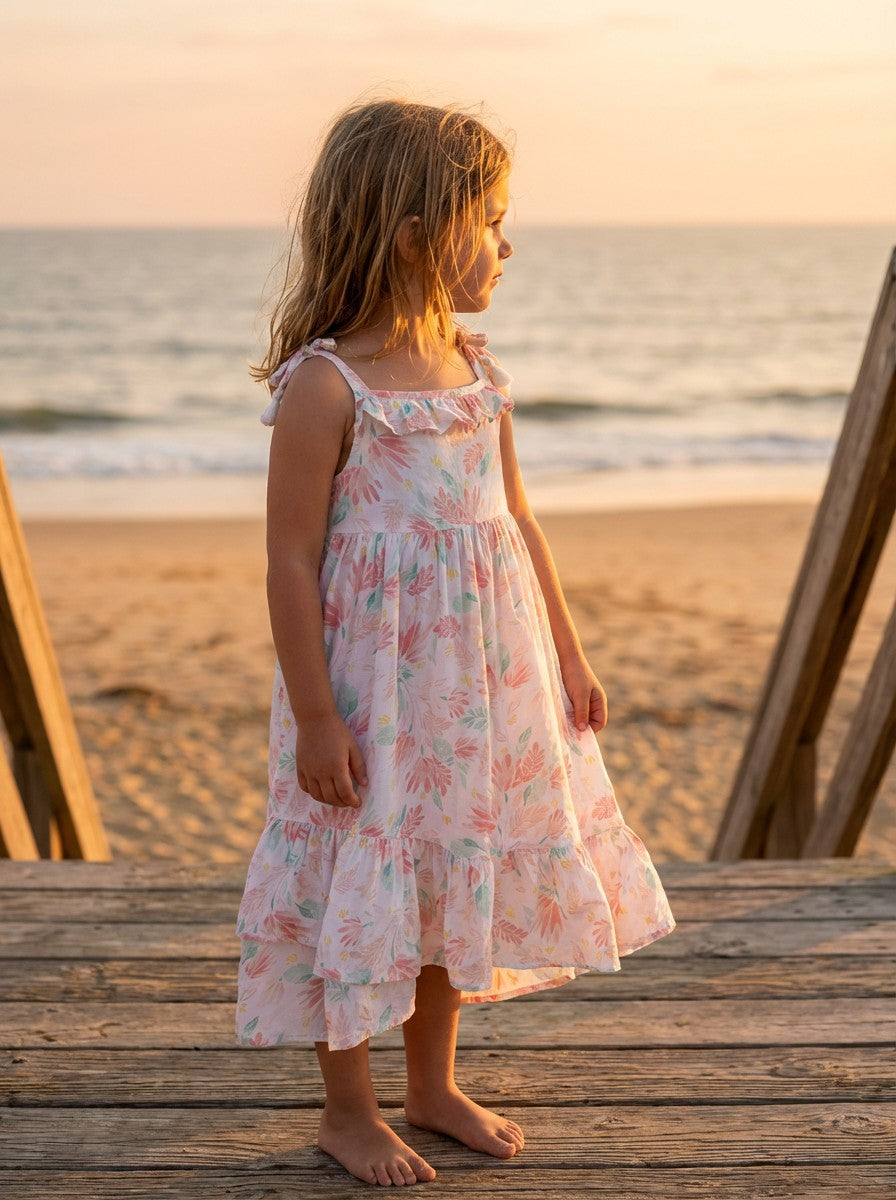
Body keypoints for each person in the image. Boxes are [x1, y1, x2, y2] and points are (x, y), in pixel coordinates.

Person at [235, 97, 676, 1187]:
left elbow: (517, 522)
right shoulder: (325, 388)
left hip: (479, 683)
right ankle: (348, 1110)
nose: (505, 242)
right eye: (490, 218)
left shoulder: (476, 373)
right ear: (417, 231)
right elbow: (290, 559)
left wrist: (567, 656)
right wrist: (318, 715)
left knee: (445, 863)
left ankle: (429, 1084)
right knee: (362, 867)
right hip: (369, 690)